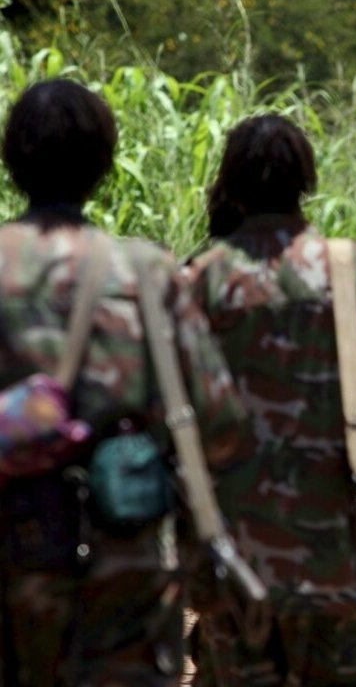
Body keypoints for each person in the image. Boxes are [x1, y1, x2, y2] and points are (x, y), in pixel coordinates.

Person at [0, 79, 246, 686]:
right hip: (122, 564)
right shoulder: (146, 273)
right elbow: (218, 428)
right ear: (104, 165)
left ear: (12, 161)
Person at [185, 115, 356, 686]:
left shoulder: (200, 281)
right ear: (305, 179)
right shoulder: (350, 273)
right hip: (330, 566)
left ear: (230, 181)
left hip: (230, 569)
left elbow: (161, 415)